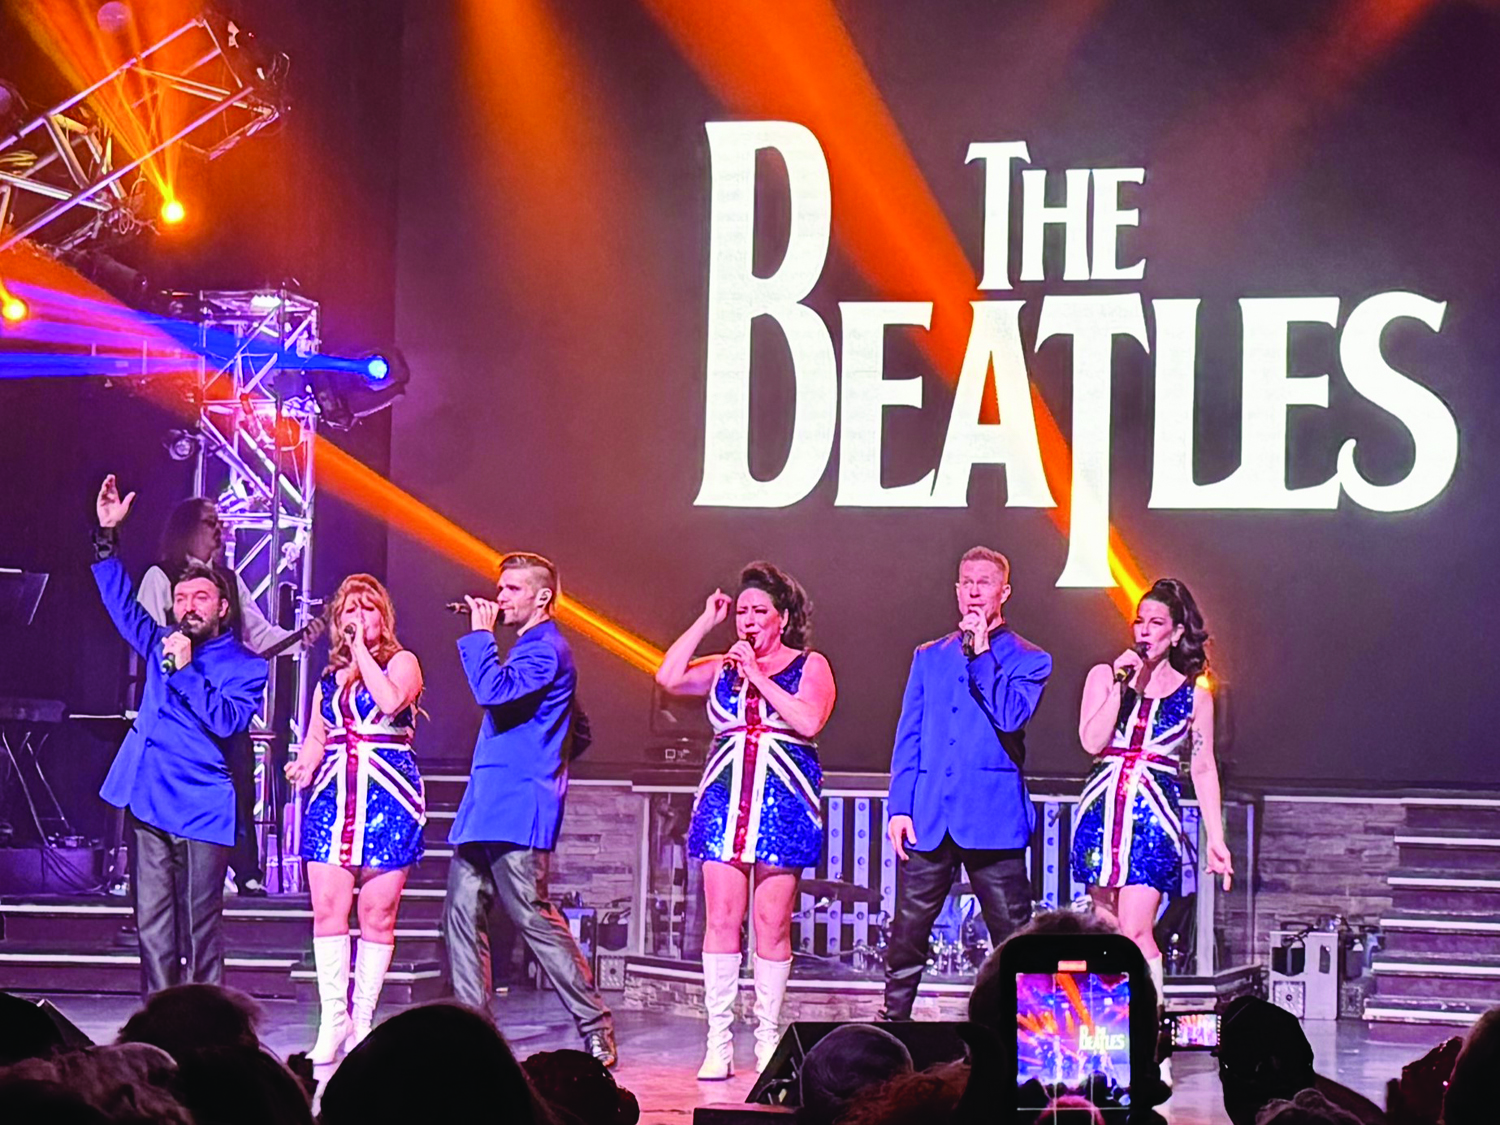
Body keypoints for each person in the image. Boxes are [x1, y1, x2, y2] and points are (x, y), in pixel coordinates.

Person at [656, 562, 837, 1079]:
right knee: (721, 920)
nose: (749, 620)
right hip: (725, 799)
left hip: (783, 800)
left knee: (771, 925)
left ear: (783, 618)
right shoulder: (722, 666)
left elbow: (808, 720)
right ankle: (718, 1041)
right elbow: (668, 677)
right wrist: (705, 622)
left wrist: (758, 676)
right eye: (742, 612)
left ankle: (768, 1039)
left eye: (759, 611)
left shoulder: (810, 665)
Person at [91, 475, 268, 998]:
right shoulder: (160, 639)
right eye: (182, 598)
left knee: (199, 930)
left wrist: (186, 671)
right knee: (152, 928)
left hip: (201, 806)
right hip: (148, 797)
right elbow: (122, 605)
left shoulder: (245, 665)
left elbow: (227, 721)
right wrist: (107, 537)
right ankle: (159, 1021)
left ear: (222, 608)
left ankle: (208, 1027)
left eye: (201, 598)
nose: (189, 606)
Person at [440, 552, 616, 1068]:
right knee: (461, 914)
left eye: (512, 589)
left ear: (542, 597)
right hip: (487, 803)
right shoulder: (530, 649)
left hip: (517, 806)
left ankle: (596, 1026)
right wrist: (545, 747)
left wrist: (480, 636)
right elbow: (579, 728)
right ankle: (475, 1037)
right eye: (500, 589)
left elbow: (492, 691)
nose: (500, 598)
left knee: (532, 918)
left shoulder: (544, 648)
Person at [1070, 576, 1233, 1080]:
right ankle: (1102, 1045)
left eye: (1156, 622)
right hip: (1103, 810)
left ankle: (1149, 1047)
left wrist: (1216, 839)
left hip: (1152, 814)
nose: (1144, 631)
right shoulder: (1105, 675)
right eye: (1139, 621)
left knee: (1137, 931)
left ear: (1176, 632)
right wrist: (1121, 685)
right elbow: (1091, 741)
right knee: (1103, 929)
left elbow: (1203, 766)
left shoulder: (1194, 694)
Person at [880, 546, 1052, 1022]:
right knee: (908, 931)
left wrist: (981, 653)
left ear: (1004, 592)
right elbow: (910, 734)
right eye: (967, 582)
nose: (974, 591)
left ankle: (1027, 1030)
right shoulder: (928, 657)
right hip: (931, 815)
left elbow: (1011, 715)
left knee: (1013, 935)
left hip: (992, 818)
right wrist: (900, 806)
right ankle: (893, 1024)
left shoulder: (1030, 659)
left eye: (984, 583)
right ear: (957, 590)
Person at [137, 497, 323, 896]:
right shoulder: (160, 576)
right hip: (176, 707)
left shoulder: (229, 582)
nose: (219, 529)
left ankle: (246, 870)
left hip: (223, 702)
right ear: (187, 528)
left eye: (219, 521)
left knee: (239, 780)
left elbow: (260, 637)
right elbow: (146, 637)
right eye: (210, 522)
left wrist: (300, 637)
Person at [284, 574, 425, 1063]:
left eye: (368, 609)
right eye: (349, 610)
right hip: (333, 798)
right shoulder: (327, 680)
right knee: (328, 908)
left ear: (383, 618)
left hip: (389, 797)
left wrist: (362, 653)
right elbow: (317, 736)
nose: (358, 618)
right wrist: (304, 765)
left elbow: (389, 701)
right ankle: (333, 1019)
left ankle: (362, 1019)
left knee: (377, 914)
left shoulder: (402, 663)